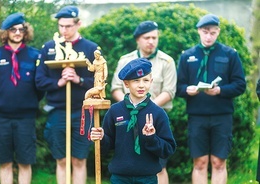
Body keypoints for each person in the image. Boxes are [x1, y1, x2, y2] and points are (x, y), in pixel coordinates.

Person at [176, 14, 246, 184]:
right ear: (199, 31)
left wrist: (220, 90)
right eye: (205, 32)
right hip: (197, 117)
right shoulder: (187, 56)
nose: (209, 36)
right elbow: (178, 87)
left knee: (219, 162)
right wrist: (188, 90)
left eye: (213, 33)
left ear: (218, 32)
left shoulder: (230, 55)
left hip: (222, 116)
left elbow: (240, 85)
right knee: (199, 163)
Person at [35, 5, 98, 184]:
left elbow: (99, 82)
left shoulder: (91, 48)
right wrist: (59, 82)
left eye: (68, 26)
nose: (64, 30)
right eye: (61, 26)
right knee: (61, 160)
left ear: (78, 24)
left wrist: (79, 80)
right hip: (57, 111)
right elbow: (39, 80)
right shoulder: (49, 48)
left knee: (79, 159)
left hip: (83, 111)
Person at [111, 20, 177, 184]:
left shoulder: (166, 61)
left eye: (154, 37)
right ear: (138, 39)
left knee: (159, 166)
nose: (151, 41)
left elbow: (169, 91)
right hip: (127, 119)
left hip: (154, 118)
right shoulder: (125, 60)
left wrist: (147, 107)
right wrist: (128, 107)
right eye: (147, 37)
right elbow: (116, 88)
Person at [91, 58, 176, 184]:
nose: (141, 85)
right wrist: (101, 138)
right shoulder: (115, 111)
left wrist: (151, 138)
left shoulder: (158, 113)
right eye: (136, 81)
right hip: (120, 177)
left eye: (146, 80)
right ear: (126, 84)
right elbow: (105, 148)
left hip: (147, 178)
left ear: (151, 81)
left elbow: (168, 150)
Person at [0, 12, 44, 184]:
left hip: (26, 118)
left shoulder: (36, 56)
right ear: (5, 33)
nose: (17, 33)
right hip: (1, 117)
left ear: (26, 32)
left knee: (25, 162)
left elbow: (40, 88)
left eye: (21, 29)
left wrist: (27, 103)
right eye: (13, 29)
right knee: (5, 162)